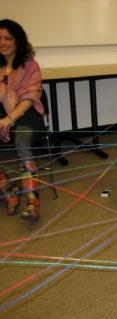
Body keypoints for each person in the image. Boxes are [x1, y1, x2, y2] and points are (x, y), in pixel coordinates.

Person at [0, 19, 45, 221]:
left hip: (27, 114)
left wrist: (9, 118)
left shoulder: (30, 65)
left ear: (17, 40)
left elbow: (30, 96)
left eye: (8, 38)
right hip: (2, 116)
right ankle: (9, 190)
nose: (3, 42)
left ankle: (32, 200)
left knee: (21, 138)